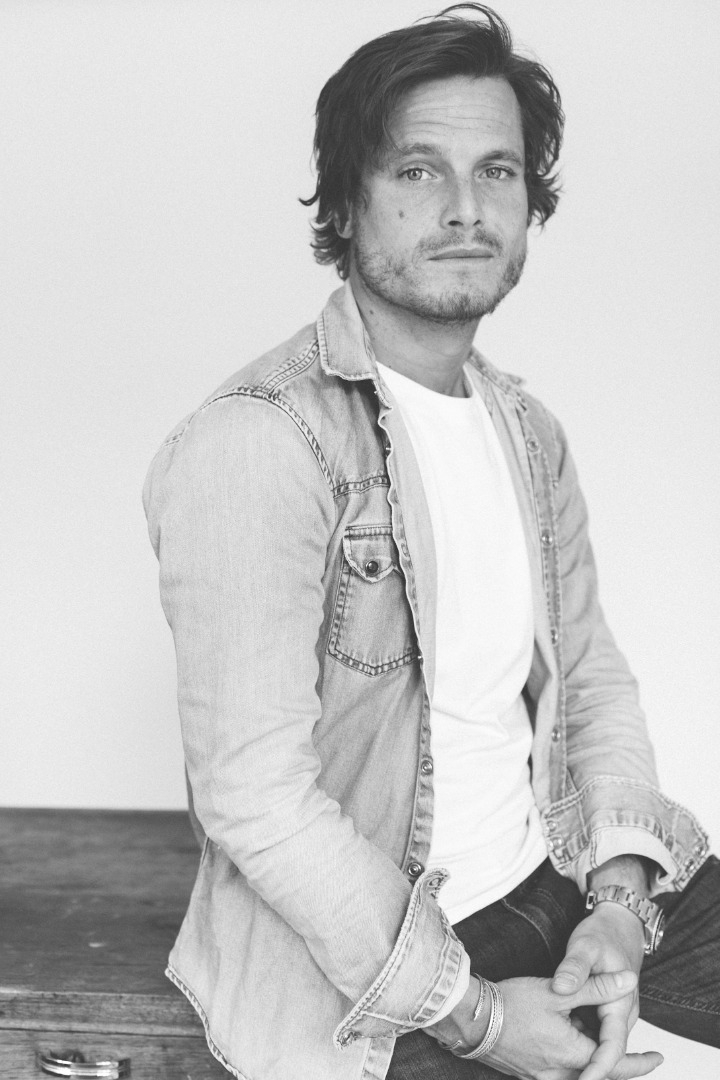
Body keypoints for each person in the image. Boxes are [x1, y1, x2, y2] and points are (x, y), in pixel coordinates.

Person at [143, 6, 718, 1079]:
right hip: (394, 954)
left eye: (497, 171)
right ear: (346, 200)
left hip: (555, 869)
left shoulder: (527, 431)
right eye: (418, 171)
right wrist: (480, 1017)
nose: (464, 207)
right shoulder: (258, 443)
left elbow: (591, 679)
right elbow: (255, 797)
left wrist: (620, 901)